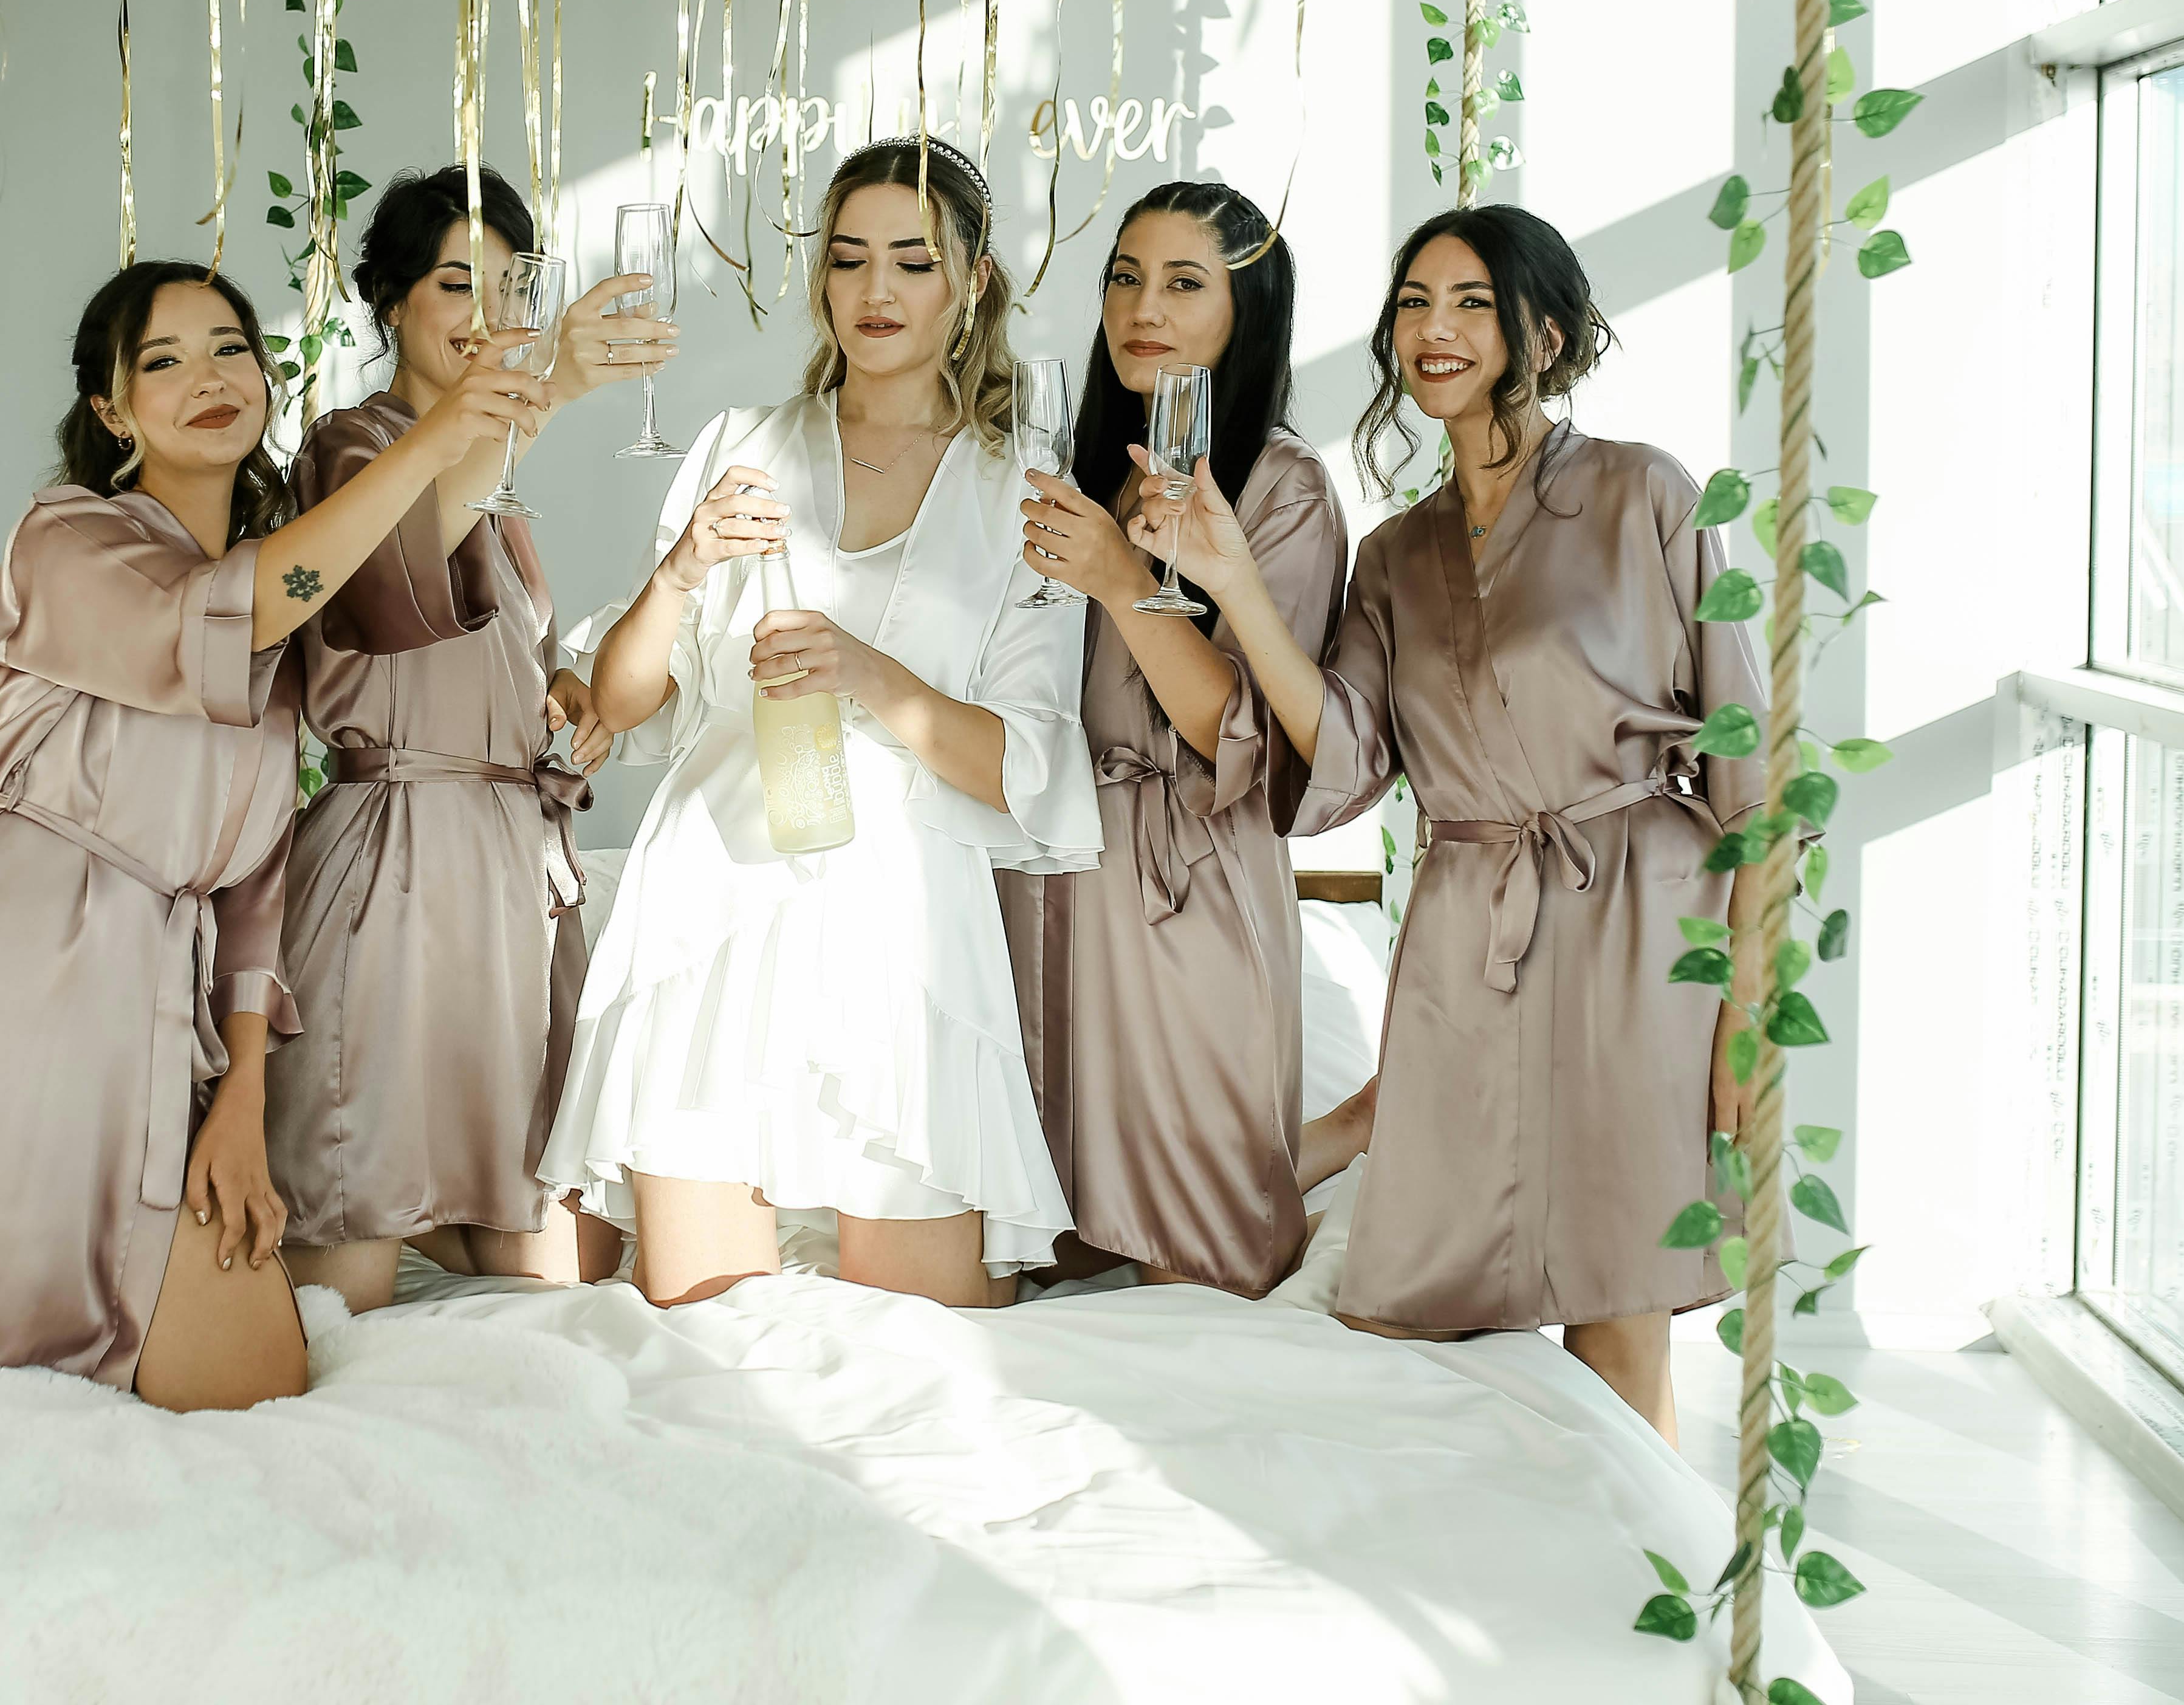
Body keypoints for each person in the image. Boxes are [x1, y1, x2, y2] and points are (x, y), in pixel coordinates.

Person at [0, 259, 546, 1444]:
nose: (207, 378)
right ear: (109, 409)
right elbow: (245, 604)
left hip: (154, 1019)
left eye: (232, 349)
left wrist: (241, 1095)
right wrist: (439, 430)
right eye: (163, 360)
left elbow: (250, 888)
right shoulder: (70, 538)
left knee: (250, 1388)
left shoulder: (272, 592)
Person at [1138, 204, 1758, 1439]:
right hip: (1470, 931)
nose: (1434, 329)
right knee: (1410, 1295)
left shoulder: (1647, 494)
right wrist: (1232, 584)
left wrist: (1744, 1016)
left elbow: (1756, 774)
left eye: (1472, 303)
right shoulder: (1398, 553)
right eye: (1415, 303)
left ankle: (1639, 1604)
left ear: (1549, 331)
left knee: (1616, 1309)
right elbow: (1352, 756)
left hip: (1639, 924)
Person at [543, 137, 1096, 1308]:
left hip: (904, 929)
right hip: (715, 899)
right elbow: (626, 703)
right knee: (702, 1333)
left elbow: (1025, 767)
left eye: (913, 261)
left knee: (930, 1343)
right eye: (850, 261)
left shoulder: (1023, 487)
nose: (877, 292)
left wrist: (869, 674)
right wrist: (684, 569)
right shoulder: (741, 443)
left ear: (973, 282)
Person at [270, 167, 674, 1311]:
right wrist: (557, 384)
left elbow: (489, 635)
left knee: (578, 1255)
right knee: (349, 1254)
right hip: (394, 868)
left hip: (507, 876)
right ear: (392, 302)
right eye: (459, 284)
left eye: (510, 287)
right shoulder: (352, 448)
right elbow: (392, 583)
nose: (488, 313)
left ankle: (449, 1217)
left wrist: (557, 694)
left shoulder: (500, 490)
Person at [1002, 180, 1360, 1299]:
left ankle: (1344, 1132)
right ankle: (1327, 1137)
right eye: (1124, 276)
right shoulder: (1090, 468)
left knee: (1192, 1259)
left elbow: (1237, 736)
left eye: (1184, 283)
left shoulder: (1282, 487)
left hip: (1188, 873)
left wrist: (1120, 580)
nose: (1141, 307)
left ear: (1245, 313)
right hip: (1063, 863)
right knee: (1060, 1230)